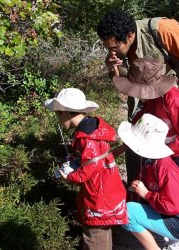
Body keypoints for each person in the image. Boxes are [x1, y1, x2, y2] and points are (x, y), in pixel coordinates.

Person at [44, 88, 128, 250]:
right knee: (102, 235)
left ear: (66, 113)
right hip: (107, 192)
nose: (58, 120)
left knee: (95, 237)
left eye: (58, 114)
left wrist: (67, 176)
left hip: (98, 199)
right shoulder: (93, 130)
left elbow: (88, 171)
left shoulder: (86, 139)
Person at [113, 58, 179, 182]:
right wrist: (127, 145)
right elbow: (141, 122)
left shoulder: (176, 102)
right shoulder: (151, 99)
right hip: (163, 145)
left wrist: (163, 155)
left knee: (172, 183)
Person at [118, 113, 179, 250]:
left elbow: (174, 205)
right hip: (177, 215)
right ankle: (165, 234)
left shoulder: (165, 168)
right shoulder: (151, 162)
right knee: (132, 205)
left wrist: (146, 194)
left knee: (128, 212)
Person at [97, 9, 179, 119]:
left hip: (173, 95)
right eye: (108, 48)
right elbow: (123, 85)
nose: (111, 52)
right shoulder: (120, 50)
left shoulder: (163, 28)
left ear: (129, 36)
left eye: (115, 48)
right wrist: (112, 69)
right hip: (147, 102)